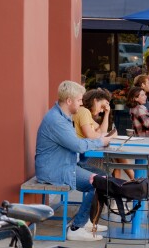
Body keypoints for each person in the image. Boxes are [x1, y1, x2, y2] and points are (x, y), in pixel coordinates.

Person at [35, 80, 114, 241]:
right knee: (99, 182)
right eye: (79, 100)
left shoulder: (61, 116)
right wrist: (101, 141)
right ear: (69, 101)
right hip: (55, 171)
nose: (81, 103)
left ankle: (85, 222)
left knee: (104, 177)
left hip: (63, 165)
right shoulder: (56, 120)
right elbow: (78, 145)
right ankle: (76, 227)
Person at [74, 88, 134, 180]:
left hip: (88, 153)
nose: (102, 110)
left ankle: (125, 183)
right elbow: (90, 135)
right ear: (95, 101)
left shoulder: (87, 114)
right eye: (102, 107)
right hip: (84, 157)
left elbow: (102, 131)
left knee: (116, 156)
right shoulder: (83, 112)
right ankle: (133, 180)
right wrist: (109, 136)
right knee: (116, 154)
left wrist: (107, 113)